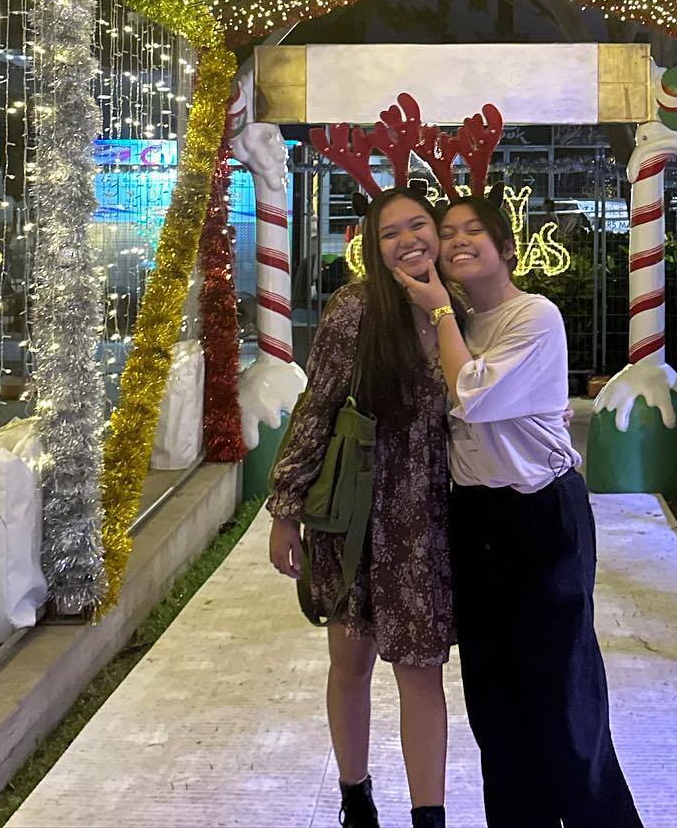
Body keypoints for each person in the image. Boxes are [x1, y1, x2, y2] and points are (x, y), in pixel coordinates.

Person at [398, 196, 643, 828]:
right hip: (475, 520)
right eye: (446, 232)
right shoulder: (451, 325)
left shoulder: (535, 316)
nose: (457, 240)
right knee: (495, 699)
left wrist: (441, 315)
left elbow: (472, 397)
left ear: (507, 247)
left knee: (563, 691)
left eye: (473, 230)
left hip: (541, 519)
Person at [267, 190, 452, 828]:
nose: (408, 240)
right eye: (389, 233)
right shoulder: (356, 310)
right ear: (372, 249)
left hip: (430, 524)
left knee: (421, 672)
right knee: (351, 661)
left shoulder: (461, 307)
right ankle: (356, 797)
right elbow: (315, 410)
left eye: (417, 225)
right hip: (359, 519)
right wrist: (286, 510)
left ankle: (431, 816)